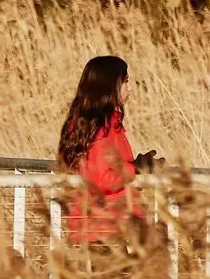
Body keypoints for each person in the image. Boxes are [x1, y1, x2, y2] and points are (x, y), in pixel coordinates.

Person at [57, 53, 159, 246]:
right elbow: (102, 178)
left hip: (105, 227)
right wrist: (134, 168)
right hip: (103, 229)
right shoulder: (100, 126)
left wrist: (135, 165)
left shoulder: (101, 123)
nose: (130, 88)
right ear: (109, 86)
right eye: (125, 81)